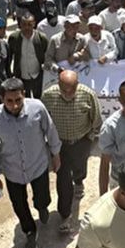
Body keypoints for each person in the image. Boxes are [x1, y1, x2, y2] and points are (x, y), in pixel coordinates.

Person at [0, 78, 62, 248]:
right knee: (19, 205)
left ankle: (42, 207)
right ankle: (29, 232)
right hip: (12, 172)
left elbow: (50, 131)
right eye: (9, 101)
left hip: (38, 165)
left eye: (18, 100)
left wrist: (56, 154)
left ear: (24, 95)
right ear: (1, 99)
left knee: (43, 198)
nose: (14, 105)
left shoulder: (38, 108)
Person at [41, 70, 102, 232]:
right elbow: (42, 123)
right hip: (59, 145)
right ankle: (65, 215)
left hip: (81, 142)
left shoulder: (88, 94)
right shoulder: (48, 96)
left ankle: (79, 180)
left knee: (80, 167)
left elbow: (96, 120)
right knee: (63, 179)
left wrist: (89, 138)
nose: (68, 93)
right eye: (64, 89)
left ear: (78, 84)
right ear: (58, 84)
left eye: (71, 89)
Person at [7, 14, 48, 98]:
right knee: (24, 99)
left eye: (29, 24)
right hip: (21, 76)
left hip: (37, 75)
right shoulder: (14, 38)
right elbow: (9, 57)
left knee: (38, 98)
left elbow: (47, 56)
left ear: (34, 24)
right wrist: (9, 74)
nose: (27, 28)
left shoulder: (41, 38)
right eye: (24, 24)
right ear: (20, 25)